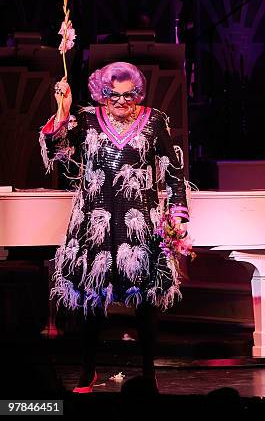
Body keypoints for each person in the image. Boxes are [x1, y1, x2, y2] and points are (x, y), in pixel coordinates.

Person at [39, 61, 190, 393]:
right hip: (96, 221)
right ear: (101, 94)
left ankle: (149, 373)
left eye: (129, 94)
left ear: (138, 93)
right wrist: (62, 112)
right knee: (93, 300)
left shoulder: (154, 121)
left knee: (147, 303)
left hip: (140, 224)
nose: (122, 101)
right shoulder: (88, 120)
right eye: (113, 95)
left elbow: (175, 173)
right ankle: (87, 370)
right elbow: (57, 153)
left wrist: (178, 216)